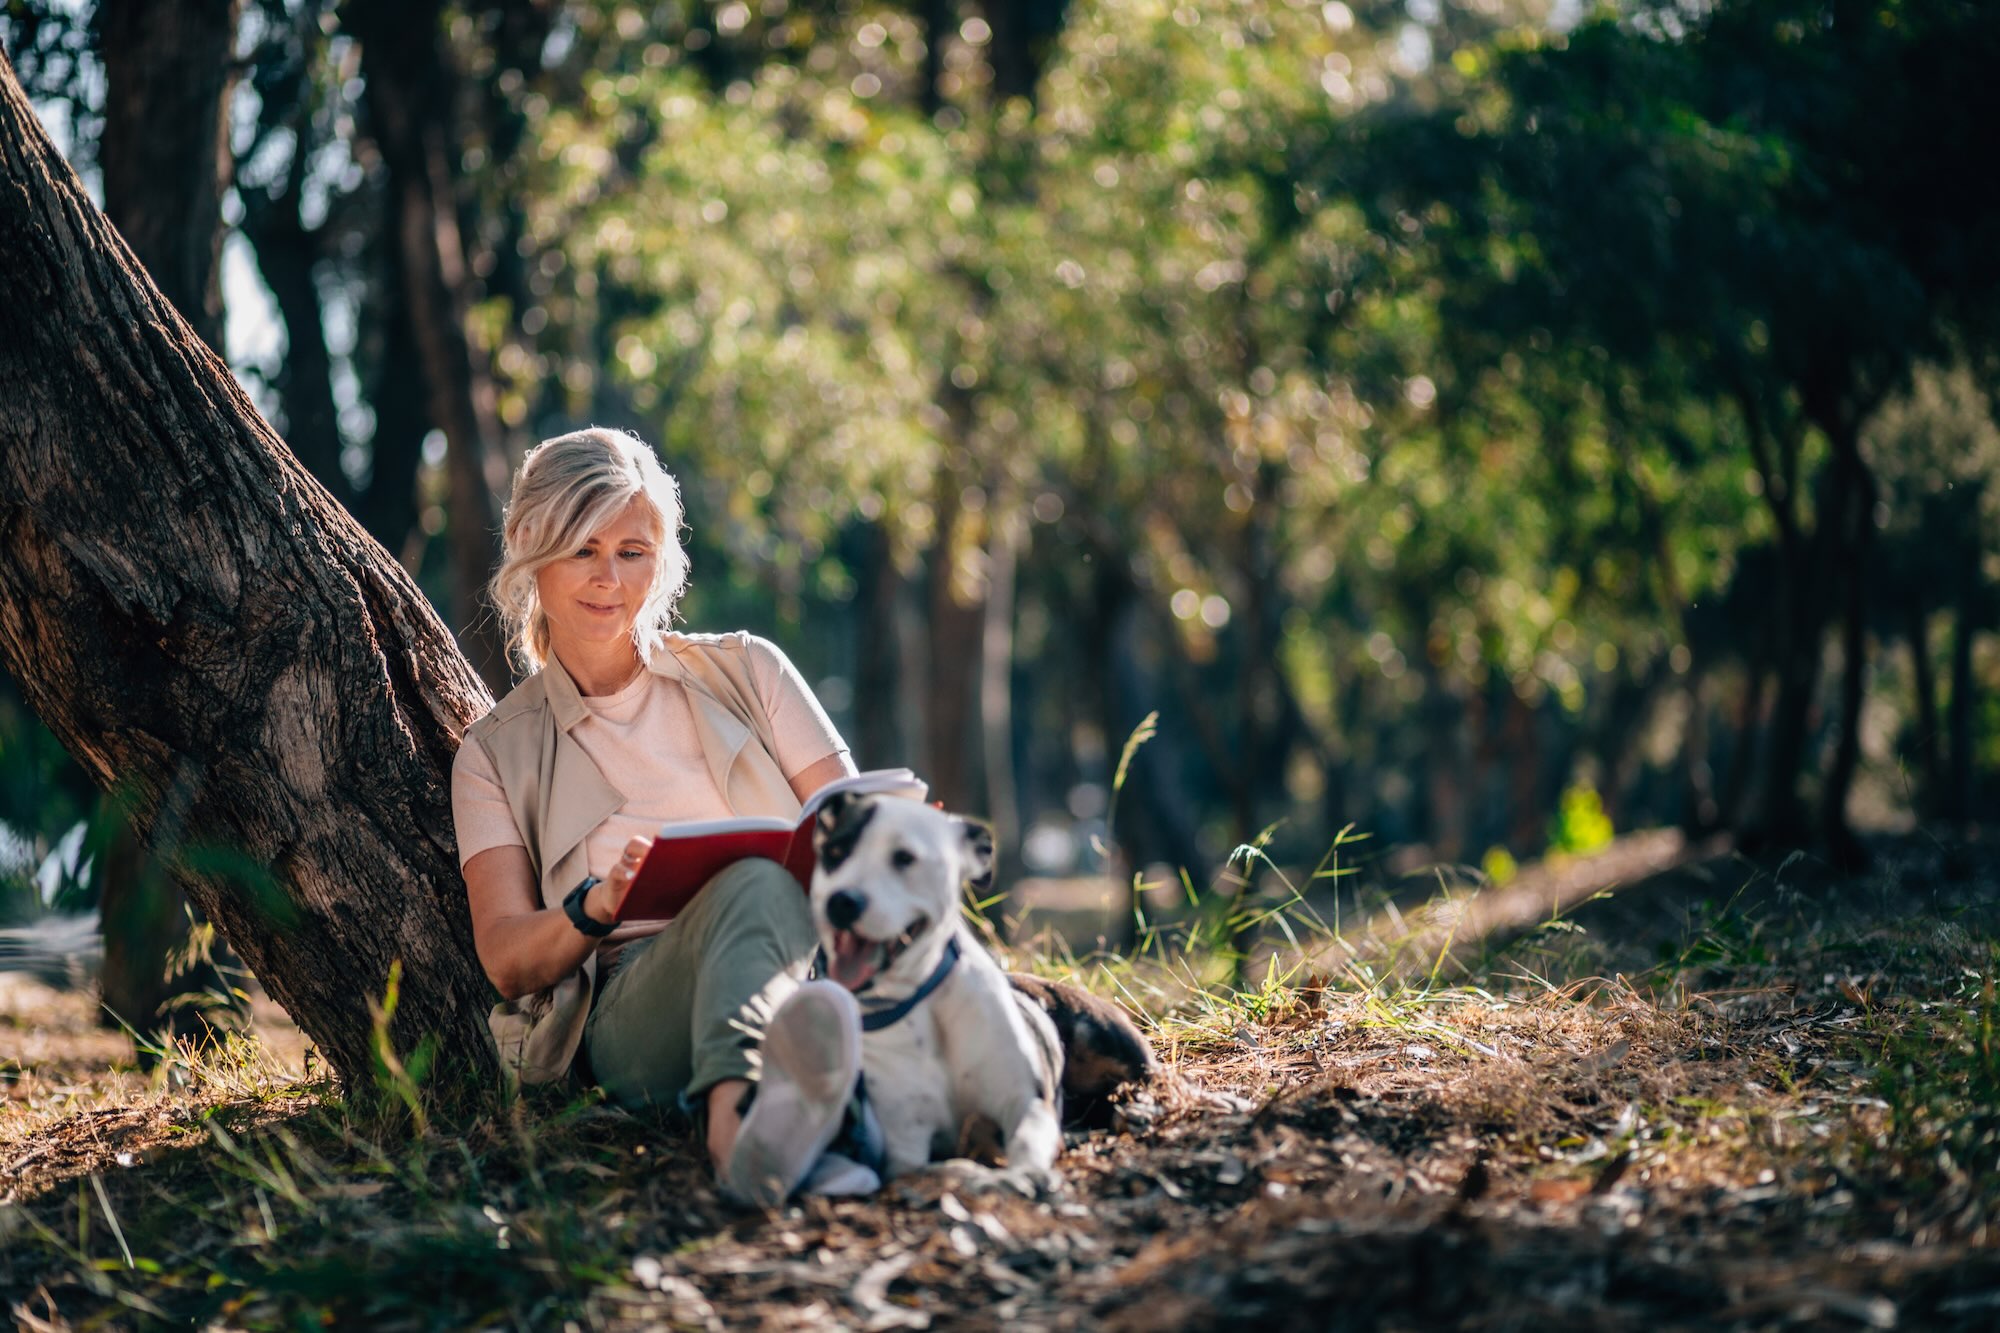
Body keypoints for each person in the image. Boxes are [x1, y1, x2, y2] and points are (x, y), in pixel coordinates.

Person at [451, 426, 876, 1205]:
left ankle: (811, 1121)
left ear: (662, 559)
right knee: (753, 884)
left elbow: (853, 825)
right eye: (583, 548)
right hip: (634, 1010)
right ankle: (739, 1137)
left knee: (767, 893)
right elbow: (506, 957)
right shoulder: (493, 754)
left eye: (633, 551)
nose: (609, 577)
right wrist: (592, 907)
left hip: (797, 956)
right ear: (528, 548)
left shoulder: (751, 669)